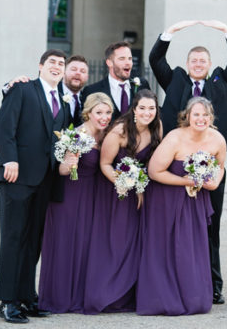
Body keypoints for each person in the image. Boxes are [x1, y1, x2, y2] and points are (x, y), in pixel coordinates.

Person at [148, 17, 227, 304]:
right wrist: (172, 31)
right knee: (177, 228)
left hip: (212, 168)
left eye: (203, 60)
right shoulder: (175, 79)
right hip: (177, 169)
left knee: (210, 226)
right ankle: (179, 280)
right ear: (188, 63)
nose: (199, 64)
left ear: (209, 63)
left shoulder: (220, 81)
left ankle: (213, 285)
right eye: (194, 60)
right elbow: (156, 60)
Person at [0, 49, 70, 324]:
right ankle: (8, 301)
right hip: (17, 176)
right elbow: (5, 126)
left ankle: (26, 296)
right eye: (52, 62)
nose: (57, 67)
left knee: (33, 242)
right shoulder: (23, 89)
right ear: (40, 66)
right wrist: (9, 159)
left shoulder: (63, 102)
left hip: (45, 180)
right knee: (14, 239)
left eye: (61, 64)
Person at [136, 97, 226, 316]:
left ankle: (193, 296)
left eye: (205, 115)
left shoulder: (217, 139)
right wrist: (187, 181)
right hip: (166, 200)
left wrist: (214, 182)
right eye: (196, 114)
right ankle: (164, 297)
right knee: (169, 247)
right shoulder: (174, 138)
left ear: (211, 117)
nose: (201, 119)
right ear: (187, 116)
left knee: (191, 247)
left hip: (195, 202)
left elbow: (220, 166)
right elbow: (154, 172)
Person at [85, 89, 162, 313]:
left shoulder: (156, 127)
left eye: (151, 108)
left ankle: (133, 293)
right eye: (142, 108)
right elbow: (105, 164)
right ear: (134, 109)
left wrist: (141, 185)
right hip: (116, 192)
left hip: (142, 190)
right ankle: (109, 294)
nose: (147, 113)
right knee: (118, 241)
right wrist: (128, 184)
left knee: (138, 242)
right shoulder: (119, 131)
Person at [37, 93, 113, 313]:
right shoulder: (77, 135)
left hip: (94, 196)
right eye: (99, 112)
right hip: (71, 195)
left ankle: (81, 294)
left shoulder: (107, 134)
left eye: (108, 112)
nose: (104, 117)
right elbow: (61, 170)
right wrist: (70, 162)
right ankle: (60, 297)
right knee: (67, 243)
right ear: (88, 113)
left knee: (87, 244)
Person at [1, 55, 89, 127]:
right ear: (64, 72)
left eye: (83, 71)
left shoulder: (88, 96)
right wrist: (10, 85)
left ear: (87, 76)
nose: (78, 73)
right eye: (73, 69)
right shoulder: (49, 89)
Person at [82, 41, 150, 117]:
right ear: (109, 63)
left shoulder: (142, 85)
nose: (128, 62)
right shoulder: (92, 91)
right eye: (122, 59)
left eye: (130, 59)